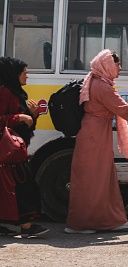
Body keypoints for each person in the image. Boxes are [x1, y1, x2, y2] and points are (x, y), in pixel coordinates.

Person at [65, 49, 128, 234]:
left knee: (90, 180)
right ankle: (106, 221)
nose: (120, 67)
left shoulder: (93, 81)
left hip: (92, 133)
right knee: (98, 179)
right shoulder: (102, 86)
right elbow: (125, 110)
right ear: (107, 65)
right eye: (117, 64)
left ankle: (83, 222)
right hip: (96, 136)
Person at [0, 57, 49, 237]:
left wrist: (32, 115)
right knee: (23, 187)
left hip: (15, 151)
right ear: (14, 74)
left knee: (13, 190)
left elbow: (25, 126)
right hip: (7, 154)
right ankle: (27, 227)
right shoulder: (4, 92)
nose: (27, 76)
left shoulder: (17, 93)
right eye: (24, 72)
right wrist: (19, 118)